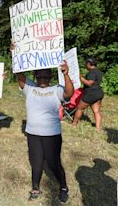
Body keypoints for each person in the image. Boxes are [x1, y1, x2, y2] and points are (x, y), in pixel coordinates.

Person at [16, 62, 74, 203]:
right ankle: (35, 188)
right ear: (35, 76)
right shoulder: (29, 88)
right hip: (33, 134)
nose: (43, 79)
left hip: (52, 135)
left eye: (46, 76)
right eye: (40, 76)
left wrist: (66, 74)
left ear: (50, 76)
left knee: (53, 163)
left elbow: (69, 93)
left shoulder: (56, 89)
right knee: (36, 163)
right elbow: (20, 75)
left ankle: (64, 187)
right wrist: (15, 54)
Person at [72, 58, 104, 131]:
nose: (85, 65)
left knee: (80, 108)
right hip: (99, 92)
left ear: (89, 64)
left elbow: (89, 83)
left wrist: (80, 77)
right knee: (96, 111)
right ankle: (98, 128)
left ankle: (74, 124)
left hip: (91, 93)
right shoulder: (99, 72)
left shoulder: (91, 72)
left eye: (86, 64)